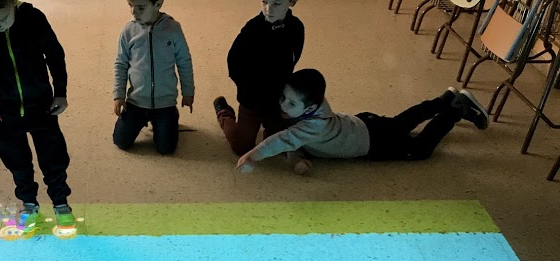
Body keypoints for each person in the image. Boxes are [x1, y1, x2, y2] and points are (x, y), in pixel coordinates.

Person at [235, 69, 489, 175]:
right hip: (362, 124)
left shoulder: (314, 125)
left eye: (290, 103)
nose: (282, 105)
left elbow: (284, 140)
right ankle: (443, 101)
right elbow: (295, 139)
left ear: (309, 108)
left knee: (419, 149)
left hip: (372, 143)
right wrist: (297, 159)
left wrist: (252, 156)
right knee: (403, 121)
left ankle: (454, 110)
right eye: (283, 98)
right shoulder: (313, 106)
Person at [0, 0, 76, 238]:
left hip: (42, 105)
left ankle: (60, 202)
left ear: (13, 2)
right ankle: (28, 203)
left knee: (53, 155)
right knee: (16, 160)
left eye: (2, 18)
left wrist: (61, 92)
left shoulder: (33, 19)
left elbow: (55, 55)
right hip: (5, 111)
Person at [213, 0, 305, 156]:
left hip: (277, 100)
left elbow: (294, 58)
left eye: (276, 3)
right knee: (241, 148)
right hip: (251, 100)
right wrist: (247, 89)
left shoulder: (296, 27)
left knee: (276, 145)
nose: (268, 9)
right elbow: (234, 63)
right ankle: (224, 112)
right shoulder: (252, 29)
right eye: (265, 2)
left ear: (292, 2)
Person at [113, 0, 195, 155]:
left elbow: (184, 62)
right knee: (121, 141)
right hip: (136, 101)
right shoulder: (128, 30)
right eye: (130, 5)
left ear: (158, 4)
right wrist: (119, 94)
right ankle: (143, 121)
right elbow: (120, 64)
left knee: (166, 148)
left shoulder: (173, 29)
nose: (133, 12)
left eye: (141, 7)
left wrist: (188, 92)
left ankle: (171, 118)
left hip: (164, 103)